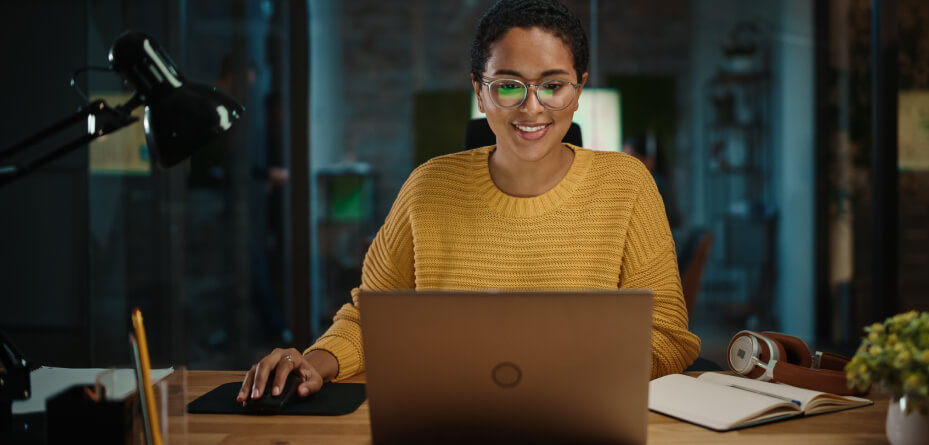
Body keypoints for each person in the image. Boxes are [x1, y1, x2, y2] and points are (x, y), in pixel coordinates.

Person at [238, 0, 700, 404]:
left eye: (553, 85)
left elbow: (667, 336)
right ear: (480, 91)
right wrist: (314, 362)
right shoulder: (428, 187)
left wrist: (568, 373)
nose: (532, 107)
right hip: (448, 414)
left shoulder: (627, 185)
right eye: (509, 85)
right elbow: (370, 318)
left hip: (584, 413)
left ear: (578, 90)